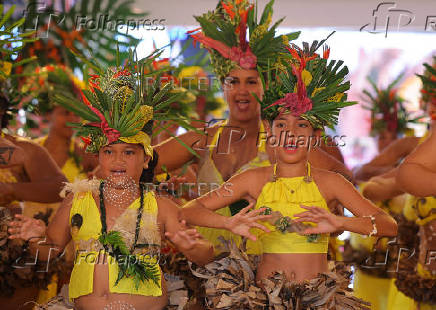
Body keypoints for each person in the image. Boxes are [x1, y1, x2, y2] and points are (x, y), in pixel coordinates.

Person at [181, 42, 397, 309]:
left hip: (320, 302)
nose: (290, 134)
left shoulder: (330, 183)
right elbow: (190, 211)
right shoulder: (252, 180)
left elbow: (388, 225)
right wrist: (228, 224)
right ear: (269, 131)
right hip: (263, 301)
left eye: (301, 125)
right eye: (281, 124)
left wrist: (339, 222)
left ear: (315, 135)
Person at [7, 56, 220, 310]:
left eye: (129, 153)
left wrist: (194, 247)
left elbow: (207, 255)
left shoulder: (160, 207)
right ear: (98, 157)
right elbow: (50, 250)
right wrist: (35, 238)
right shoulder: (78, 199)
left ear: (146, 159)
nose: (118, 160)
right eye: (109, 152)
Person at [155, 0, 353, 253]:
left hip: (264, 274)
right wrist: (164, 190)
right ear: (223, 86)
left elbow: (342, 177)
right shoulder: (203, 140)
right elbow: (142, 163)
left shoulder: (282, 141)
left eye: (251, 82)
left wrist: (325, 210)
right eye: (233, 81)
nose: (242, 91)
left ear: (265, 87)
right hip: (204, 268)